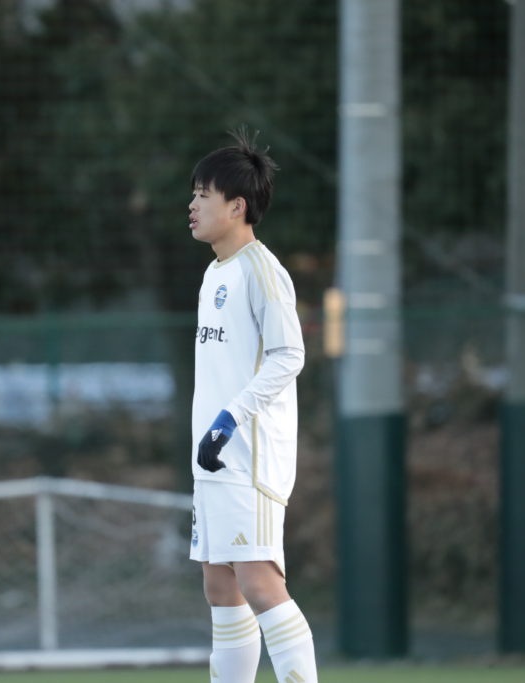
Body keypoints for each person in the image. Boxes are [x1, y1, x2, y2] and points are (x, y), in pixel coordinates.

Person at [188, 129, 317, 683]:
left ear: (237, 206)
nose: (192, 205)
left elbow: (290, 355)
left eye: (203, 194)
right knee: (220, 586)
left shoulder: (262, 270)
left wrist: (228, 420)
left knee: (259, 583)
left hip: (249, 457)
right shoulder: (214, 272)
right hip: (213, 460)